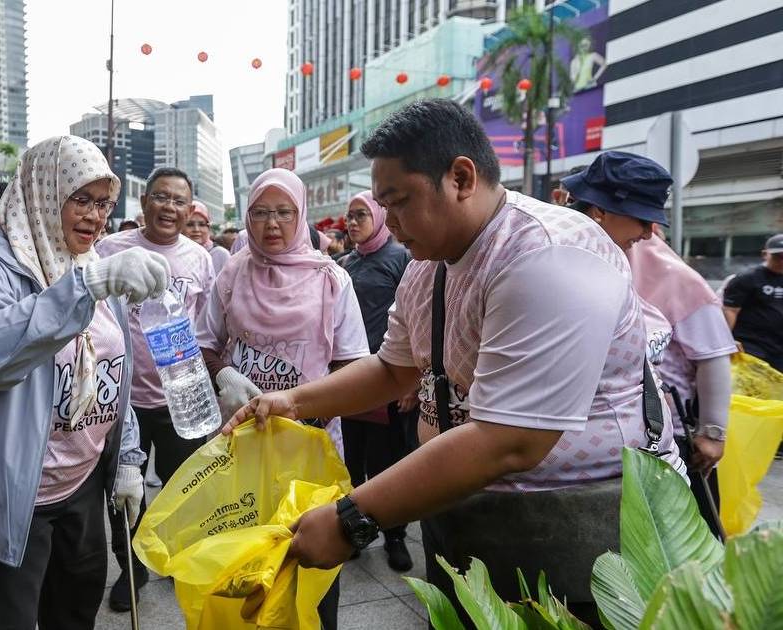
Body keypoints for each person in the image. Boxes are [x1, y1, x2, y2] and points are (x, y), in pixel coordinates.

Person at [226, 99, 683, 626]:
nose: (389, 223)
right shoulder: (430, 264)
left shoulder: (548, 257)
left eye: (398, 201)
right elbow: (393, 369)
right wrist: (291, 401)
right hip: (468, 515)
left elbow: (510, 439)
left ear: (461, 177)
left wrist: (352, 518)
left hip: (584, 541)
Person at [0, 135, 167, 629]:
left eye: (103, 203)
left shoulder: (91, 264)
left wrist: (125, 459)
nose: (95, 216)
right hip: (4, 496)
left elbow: (112, 370)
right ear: (43, 191)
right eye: (80, 199)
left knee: (74, 615)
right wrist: (84, 289)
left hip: (79, 491)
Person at [197, 168, 370, 630]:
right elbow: (205, 343)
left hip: (311, 447)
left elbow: (352, 366)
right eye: (260, 213)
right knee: (245, 558)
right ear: (247, 217)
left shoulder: (332, 279)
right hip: (243, 442)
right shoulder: (232, 273)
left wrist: (304, 411)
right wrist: (226, 375)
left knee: (312, 557)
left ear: (302, 216)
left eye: (284, 213)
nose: (272, 224)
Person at [564, 153, 735, 538]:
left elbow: (713, 357)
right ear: (598, 212)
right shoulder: (575, 255)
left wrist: (713, 431)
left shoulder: (669, 274)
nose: (649, 231)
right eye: (642, 219)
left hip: (669, 440)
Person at [95, 167, 216, 611]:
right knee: (121, 492)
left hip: (179, 399)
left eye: (179, 200)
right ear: (144, 202)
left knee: (184, 486)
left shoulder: (200, 258)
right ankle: (130, 570)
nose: (169, 207)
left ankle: (175, 556)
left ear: (190, 209)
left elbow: (203, 329)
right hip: (121, 400)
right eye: (161, 197)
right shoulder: (111, 249)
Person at [337, 191, 415, 570]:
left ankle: (395, 536)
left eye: (361, 215)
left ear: (380, 217)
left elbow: (416, 318)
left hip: (387, 377)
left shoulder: (401, 259)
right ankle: (354, 532)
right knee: (350, 463)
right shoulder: (344, 263)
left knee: (386, 465)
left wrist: (411, 382)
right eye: (349, 216)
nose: (352, 223)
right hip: (350, 379)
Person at [723, 234, 783, 373]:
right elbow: (730, 310)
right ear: (765, 254)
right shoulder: (747, 278)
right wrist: (727, 339)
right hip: (752, 344)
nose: (782, 260)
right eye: (778, 256)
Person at [184, 200, 231, 277]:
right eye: (190, 224)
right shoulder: (176, 253)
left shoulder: (220, 254)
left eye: (202, 224)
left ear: (208, 227)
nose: (196, 229)